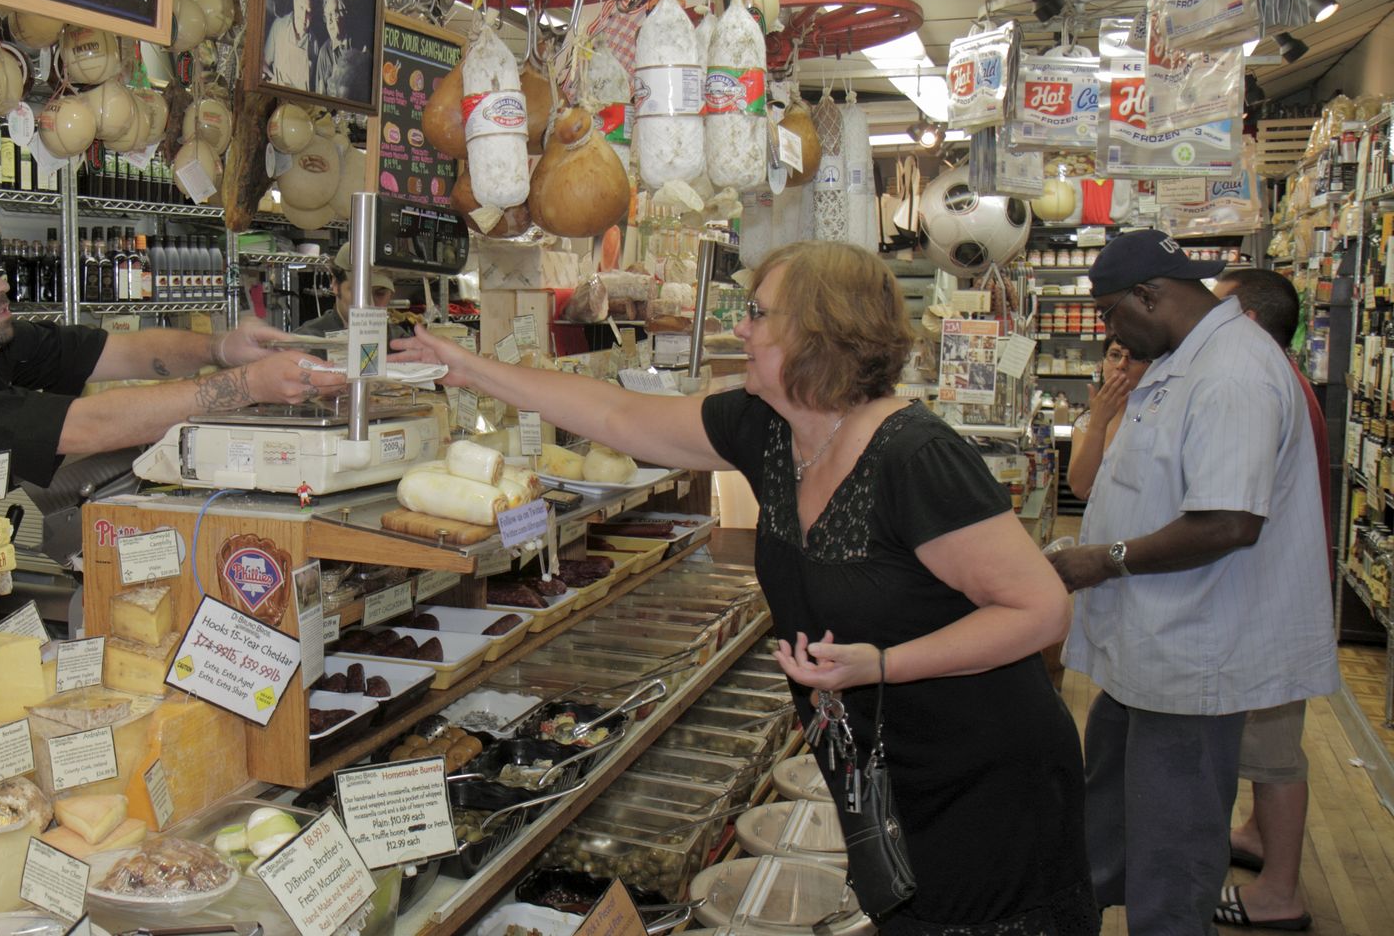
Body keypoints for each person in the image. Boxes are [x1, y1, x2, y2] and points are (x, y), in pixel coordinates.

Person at [393, 240, 1096, 934]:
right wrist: (468, 369)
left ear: (819, 334)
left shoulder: (917, 459)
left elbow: (1040, 610)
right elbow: (614, 416)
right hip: (882, 775)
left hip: (988, 778)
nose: (741, 327)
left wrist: (882, 666)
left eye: (759, 314)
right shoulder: (769, 429)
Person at [1050, 231, 1338, 936]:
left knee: (1174, 838)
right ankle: (1093, 906)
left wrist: (1102, 558)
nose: (1109, 331)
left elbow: (1227, 524)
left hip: (1192, 652)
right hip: (1149, 646)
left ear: (1151, 295)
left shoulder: (1233, 373)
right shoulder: (1187, 358)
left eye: (1114, 313)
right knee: (1115, 803)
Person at [0, 194, 343, 544]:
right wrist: (246, 385)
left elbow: (124, 352)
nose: (0, 285)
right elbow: (91, 425)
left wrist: (224, 348)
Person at [1209, 267, 1333, 932]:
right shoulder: (1287, 378)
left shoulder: (1262, 385)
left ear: (1250, 323)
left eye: (1220, 314)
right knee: (1268, 742)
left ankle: (1281, 893)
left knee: (1276, 749)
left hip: (1274, 598)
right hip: (1281, 591)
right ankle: (1258, 835)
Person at [1066, 338, 1149, 500]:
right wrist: (1098, 421)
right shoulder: (1087, 421)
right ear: (1102, 363)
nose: (1121, 365)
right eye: (1115, 355)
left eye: (1133, 357)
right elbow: (1080, 487)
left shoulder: (1155, 415)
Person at [294, 243, 410, 341]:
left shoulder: (398, 341)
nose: (370, 304)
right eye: (359, 292)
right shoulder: (307, 341)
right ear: (335, 285)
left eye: (380, 293)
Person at [314, 0, 368, 100]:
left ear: (343, 14)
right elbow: (319, 96)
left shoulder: (359, 46)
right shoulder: (324, 52)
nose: (329, 21)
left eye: (333, 14)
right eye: (326, 15)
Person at [263, 0, 316, 90]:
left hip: (300, 103)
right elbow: (263, 63)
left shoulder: (314, 43)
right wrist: (275, 82)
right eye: (301, 7)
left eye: (308, 12)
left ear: (312, 14)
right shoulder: (279, 26)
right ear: (294, 3)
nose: (303, 16)